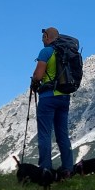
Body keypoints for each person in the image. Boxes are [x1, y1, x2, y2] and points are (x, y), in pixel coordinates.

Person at [31, 26, 73, 179]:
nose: (42, 40)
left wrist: (34, 82)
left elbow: (38, 75)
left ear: (47, 37)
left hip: (48, 97)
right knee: (62, 134)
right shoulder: (67, 52)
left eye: (43, 37)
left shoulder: (46, 51)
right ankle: (68, 169)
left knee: (45, 134)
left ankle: (45, 169)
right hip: (64, 97)